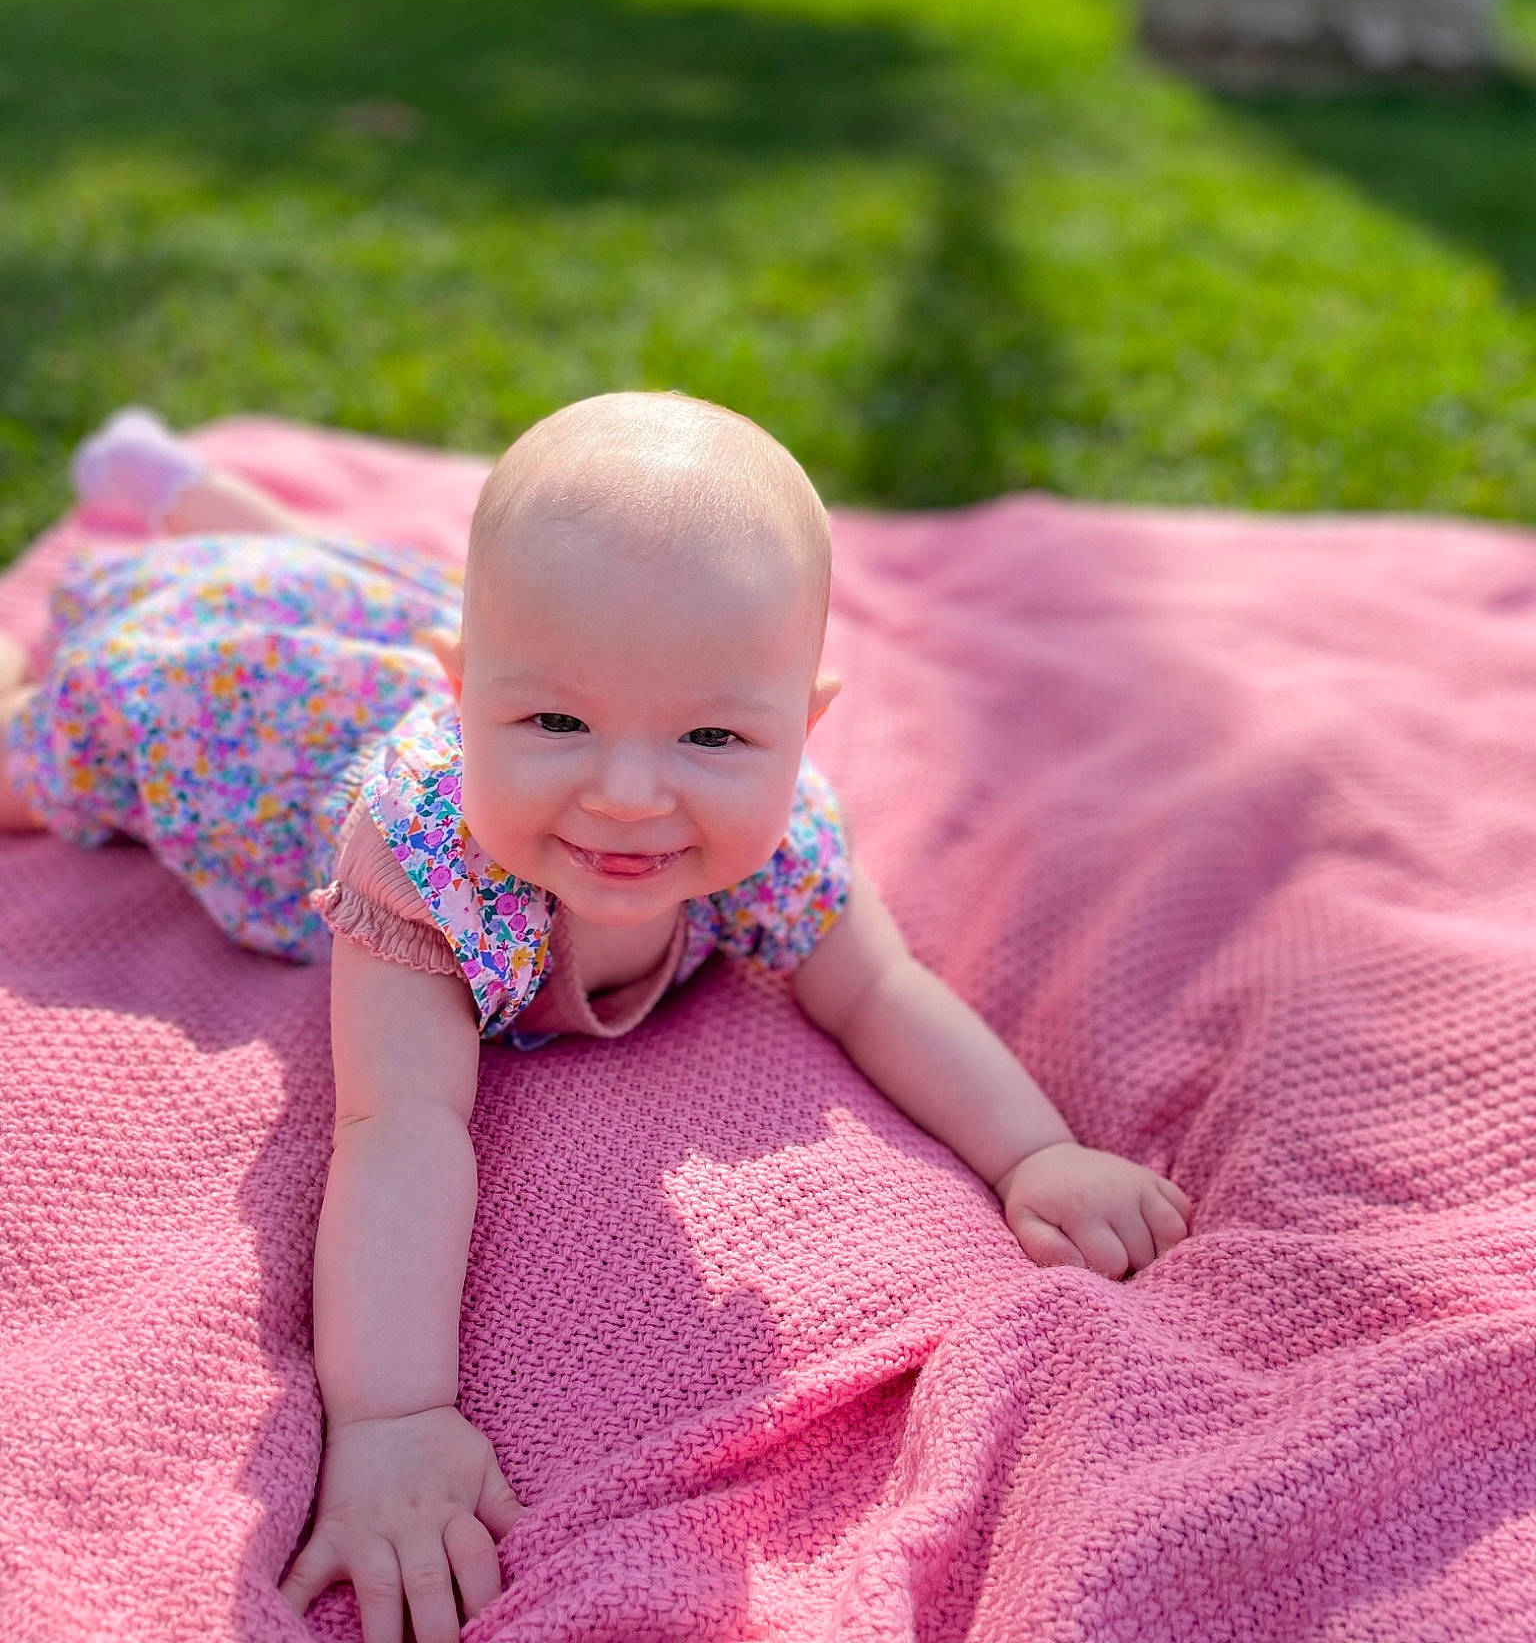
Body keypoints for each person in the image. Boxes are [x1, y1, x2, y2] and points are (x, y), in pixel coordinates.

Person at [0, 396, 1192, 1643]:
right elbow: (397, 1121)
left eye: (716, 734)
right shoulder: (427, 856)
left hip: (443, 637)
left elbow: (878, 986)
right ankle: (105, 571)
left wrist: (1035, 1149)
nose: (629, 794)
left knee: (380, 590)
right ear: (467, 702)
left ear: (804, 726)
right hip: (255, 725)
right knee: (55, 749)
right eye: (553, 722)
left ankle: (169, 479)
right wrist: (394, 1419)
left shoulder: (772, 836)